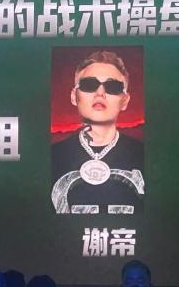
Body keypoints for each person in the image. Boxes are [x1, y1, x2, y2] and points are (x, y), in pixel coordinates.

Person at [51, 50, 144, 214]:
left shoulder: (143, 154)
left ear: (125, 101)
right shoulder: (52, 156)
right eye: (89, 85)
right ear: (74, 96)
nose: (100, 93)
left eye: (113, 87)